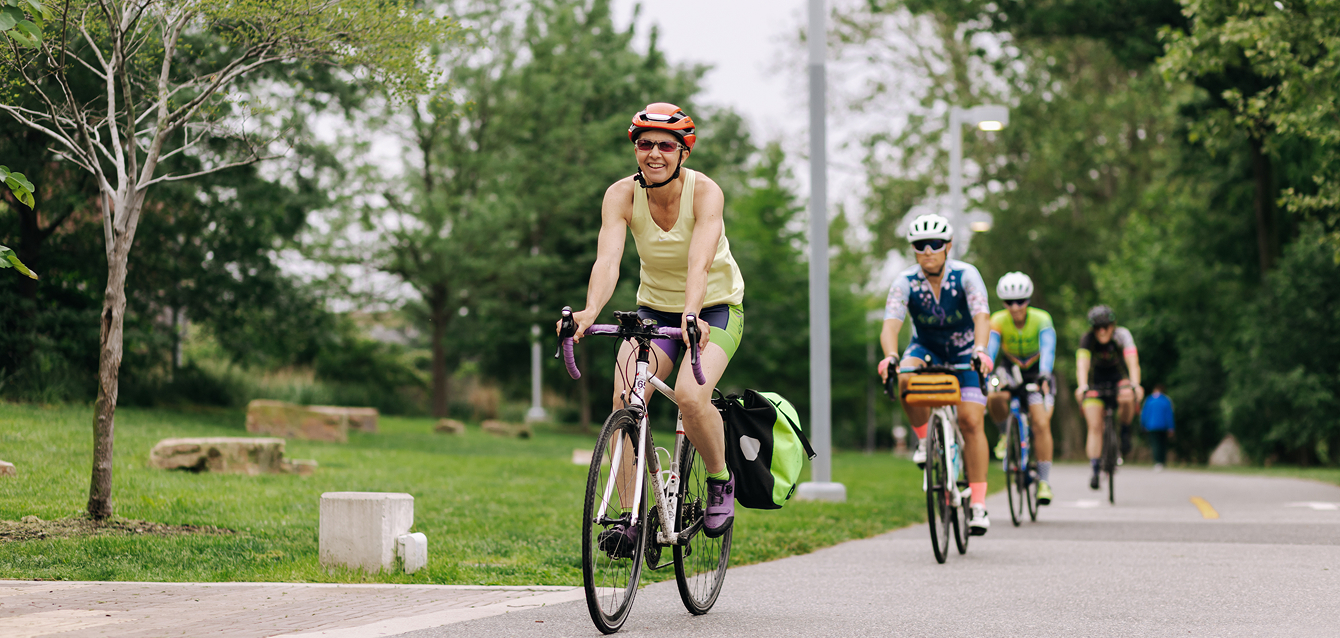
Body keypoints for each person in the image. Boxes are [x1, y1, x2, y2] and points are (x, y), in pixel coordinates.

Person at [561, 103, 745, 543]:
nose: (654, 153)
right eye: (645, 144)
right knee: (626, 395)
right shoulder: (621, 194)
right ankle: (629, 519)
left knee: (689, 396)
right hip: (653, 310)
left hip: (715, 307)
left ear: (684, 151)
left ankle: (720, 479)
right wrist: (589, 312)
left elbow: (699, 262)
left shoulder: (705, 193)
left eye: (666, 145)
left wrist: (692, 313)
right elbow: (608, 261)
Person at [878, 214, 994, 535]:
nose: (928, 250)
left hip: (965, 351)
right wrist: (890, 355)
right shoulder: (905, 282)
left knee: (971, 422)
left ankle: (979, 504)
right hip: (925, 349)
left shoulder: (967, 275)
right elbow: (891, 324)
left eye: (936, 244)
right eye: (920, 245)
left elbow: (982, 315)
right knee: (903, 376)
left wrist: (981, 349)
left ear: (949, 246)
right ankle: (924, 441)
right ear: (913, 250)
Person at [985, 272, 1058, 505]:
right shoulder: (997, 319)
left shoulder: (1041, 318)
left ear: (1028, 300)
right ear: (1003, 303)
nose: (1015, 307)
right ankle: (1006, 433)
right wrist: (985, 366)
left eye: (1021, 301)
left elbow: (1048, 348)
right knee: (994, 394)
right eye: (1009, 302)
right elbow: (991, 348)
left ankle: (1044, 481)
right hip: (1010, 369)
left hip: (1036, 371)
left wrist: (1045, 372)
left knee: (1041, 422)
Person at [1075, 305, 1143, 490]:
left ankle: (1125, 430)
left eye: (1106, 326)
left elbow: (1132, 362)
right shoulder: (1087, 340)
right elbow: (1082, 364)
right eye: (1097, 327)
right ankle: (1095, 468)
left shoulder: (1122, 336)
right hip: (1095, 381)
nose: (1102, 331)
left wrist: (1136, 384)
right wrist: (1082, 386)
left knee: (1128, 395)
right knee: (1095, 425)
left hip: (1118, 378)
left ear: (1113, 325)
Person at [1141, 384, 1175, 471]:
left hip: (1151, 426)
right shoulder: (1166, 400)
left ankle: (1157, 462)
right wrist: (1171, 427)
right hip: (1163, 426)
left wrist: (1143, 424)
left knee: (1155, 444)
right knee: (1163, 444)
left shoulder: (1149, 400)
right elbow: (1169, 415)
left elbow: (1144, 413)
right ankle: (1162, 461)